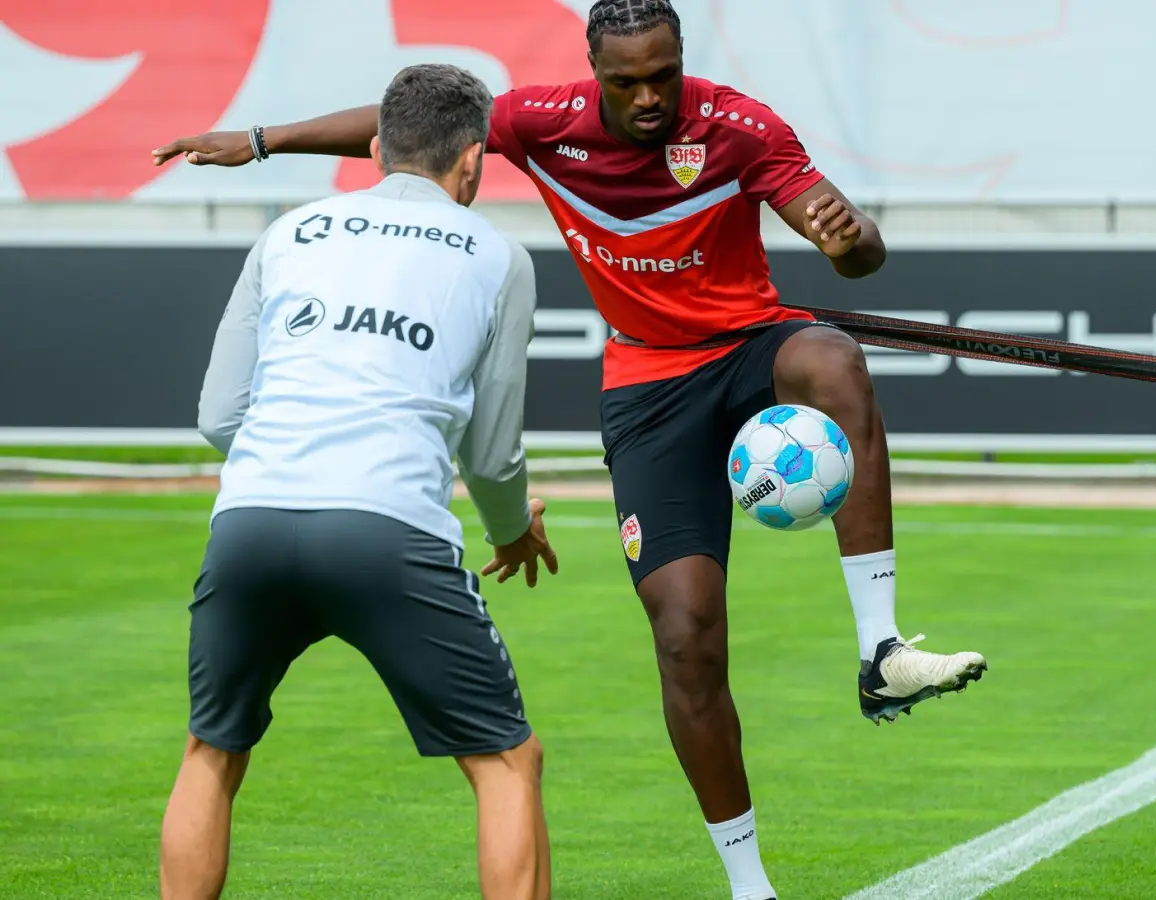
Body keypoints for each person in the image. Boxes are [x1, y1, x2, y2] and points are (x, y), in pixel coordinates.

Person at [153, 3, 986, 897]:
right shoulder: (544, 123)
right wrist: (261, 139)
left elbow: (859, 255)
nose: (648, 97)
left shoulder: (741, 126)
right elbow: (408, 132)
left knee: (832, 356)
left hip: (747, 349)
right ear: (595, 71)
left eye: (662, 74)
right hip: (647, 391)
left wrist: (850, 240)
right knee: (686, 638)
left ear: (680, 60)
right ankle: (751, 886)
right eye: (625, 81)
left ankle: (881, 651)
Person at [159, 64, 557, 900]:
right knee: (507, 762)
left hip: (251, 520)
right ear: (474, 162)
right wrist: (513, 528)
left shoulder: (290, 231)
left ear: (377, 148)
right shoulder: (500, 256)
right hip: (387, 531)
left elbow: (218, 416)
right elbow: (490, 452)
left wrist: (287, 458)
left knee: (212, 751)